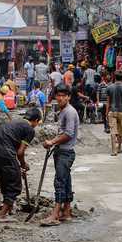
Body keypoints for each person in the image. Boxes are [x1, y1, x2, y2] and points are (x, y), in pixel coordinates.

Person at [0, 107, 42, 222]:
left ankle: (9, 208)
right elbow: (20, 152)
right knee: (15, 184)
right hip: (5, 153)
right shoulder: (29, 129)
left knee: (4, 179)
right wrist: (23, 164)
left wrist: (20, 164)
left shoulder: (15, 121)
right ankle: (2, 215)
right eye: (38, 123)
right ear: (36, 120)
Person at [41, 84, 80, 226]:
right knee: (66, 181)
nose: (61, 98)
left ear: (69, 97)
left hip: (65, 152)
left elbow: (68, 134)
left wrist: (52, 141)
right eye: (59, 95)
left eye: (64, 96)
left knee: (59, 182)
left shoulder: (69, 112)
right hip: (62, 151)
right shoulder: (63, 111)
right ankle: (67, 211)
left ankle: (55, 215)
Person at [106, 70, 122, 156]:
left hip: (112, 111)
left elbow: (108, 102)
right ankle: (119, 147)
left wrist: (106, 113)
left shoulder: (109, 87)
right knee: (121, 131)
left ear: (114, 77)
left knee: (113, 131)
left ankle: (114, 150)